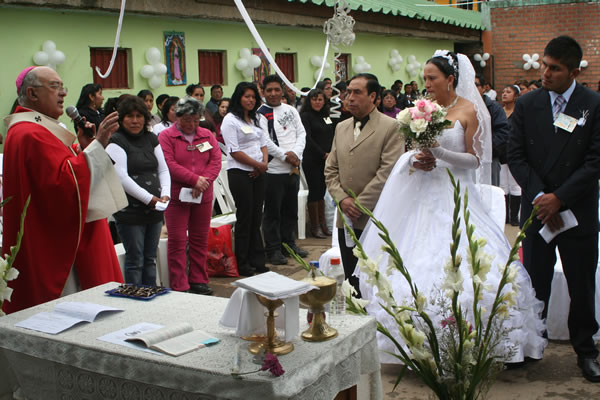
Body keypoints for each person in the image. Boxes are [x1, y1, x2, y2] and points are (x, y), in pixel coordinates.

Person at [358, 51, 547, 365]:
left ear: (450, 79)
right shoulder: (421, 111)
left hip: (456, 195)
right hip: (423, 195)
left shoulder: (469, 110)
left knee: (471, 265)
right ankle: (417, 345)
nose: (427, 83)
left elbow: (475, 160)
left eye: (432, 77)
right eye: (425, 77)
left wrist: (440, 153)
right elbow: (415, 149)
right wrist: (418, 160)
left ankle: (478, 343)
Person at [508, 36, 600, 382]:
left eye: (554, 68)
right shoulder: (528, 104)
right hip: (537, 210)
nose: (545, 73)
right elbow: (515, 155)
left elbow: (595, 161)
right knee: (534, 283)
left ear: (573, 71)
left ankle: (586, 350)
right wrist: (540, 197)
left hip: (577, 211)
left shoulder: (593, 104)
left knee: (581, 284)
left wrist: (559, 197)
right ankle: (532, 345)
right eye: (544, 65)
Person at [2, 66, 126, 314]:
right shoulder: (29, 133)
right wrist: (98, 145)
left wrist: (84, 149)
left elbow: (65, 171)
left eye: (62, 86)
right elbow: (60, 184)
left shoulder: (38, 129)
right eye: (55, 86)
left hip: (61, 231)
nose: (63, 93)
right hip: (54, 242)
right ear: (32, 93)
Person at [324, 73, 404, 294]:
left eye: (357, 92)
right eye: (348, 92)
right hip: (345, 216)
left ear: (374, 97)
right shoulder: (341, 127)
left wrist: (358, 205)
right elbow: (331, 169)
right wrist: (342, 199)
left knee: (375, 278)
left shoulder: (391, 127)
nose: (349, 97)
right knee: (351, 276)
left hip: (374, 214)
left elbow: (387, 171)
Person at [159, 97, 221, 295]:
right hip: (178, 196)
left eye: (195, 120)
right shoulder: (166, 137)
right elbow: (168, 163)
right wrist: (193, 179)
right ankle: (179, 283)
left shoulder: (206, 136)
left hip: (203, 194)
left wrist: (204, 181)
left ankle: (198, 279)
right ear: (177, 118)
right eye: (187, 120)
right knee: (177, 240)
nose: (192, 125)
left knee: (199, 239)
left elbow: (215, 161)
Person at [106, 95, 171, 286]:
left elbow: (163, 169)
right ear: (121, 119)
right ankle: (134, 301)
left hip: (154, 210)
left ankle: (150, 296)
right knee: (135, 261)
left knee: (150, 259)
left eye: (139, 116)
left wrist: (165, 194)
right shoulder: (116, 141)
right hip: (130, 212)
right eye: (129, 116)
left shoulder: (151, 138)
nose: (135, 121)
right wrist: (149, 199)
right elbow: (121, 177)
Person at [258, 75, 308, 265]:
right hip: (273, 170)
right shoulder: (261, 113)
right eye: (269, 90)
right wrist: (285, 156)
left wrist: (295, 154)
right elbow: (265, 140)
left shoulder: (291, 110)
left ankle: (289, 244)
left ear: (283, 91)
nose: (273, 94)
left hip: (293, 168)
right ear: (263, 92)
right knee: (272, 213)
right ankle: (273, 249)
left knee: (290, 210)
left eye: (276, 89)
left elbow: (301, 133)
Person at [221, 82, 270, 276]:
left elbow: (263, 143)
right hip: (240, 173)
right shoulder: (230, 120)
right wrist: (257, 165)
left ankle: (257, 260)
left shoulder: (257, 118)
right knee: (245, 217)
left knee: (257, 217)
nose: (250, 100)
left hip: (259, 172)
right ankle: (242, 262)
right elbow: (234, 151)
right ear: (238, 97)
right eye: (246, 96)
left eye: (253, 97)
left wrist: (263, 164)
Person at [300, 88, 334, 239]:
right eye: (314, 99)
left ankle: (323, 224)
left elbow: (332, 135)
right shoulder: (306, 116)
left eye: (320, 99)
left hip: (327, 159)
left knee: (322, 190)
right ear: (309, 100)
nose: (317, 102)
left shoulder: (326, 116)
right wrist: (322, 154)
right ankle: (315, 226)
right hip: (312, 159)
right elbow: (307, 138)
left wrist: (331, 152)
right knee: (314, 191)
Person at [475, 75, 510, 187]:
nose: (472, 88)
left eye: (476, 85)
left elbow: (503, 132)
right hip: (467, 158)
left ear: (484, 88)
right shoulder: (462, 106)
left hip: (489, 157)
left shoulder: (493, 107)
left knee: (489, 190)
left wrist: (486, 148)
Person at [500, 84, 522, 226]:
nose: (504, 94)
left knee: (515, 185)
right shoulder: (499, 112)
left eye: (508, 92)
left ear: (515, 96)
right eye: (503, 91)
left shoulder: (519, 112)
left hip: (515, 153)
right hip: (501, 153)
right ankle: (505, 216)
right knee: (503, 185)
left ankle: (514, 217)